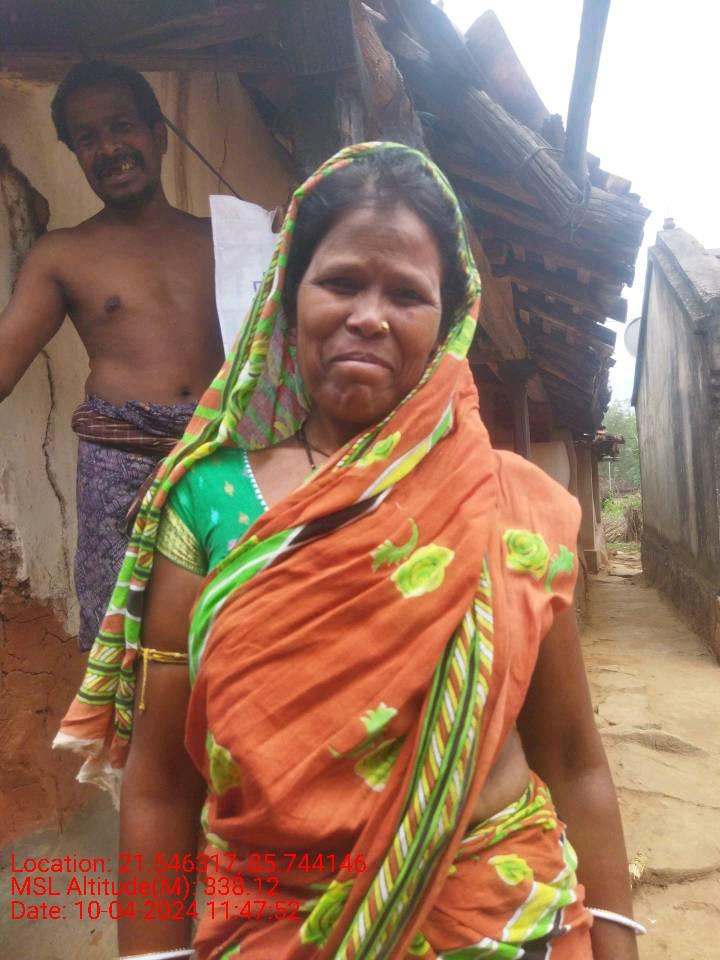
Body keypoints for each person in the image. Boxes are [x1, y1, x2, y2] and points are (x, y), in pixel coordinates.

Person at [56, 143, 641, 960]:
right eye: (341, 282)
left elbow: (574, 761)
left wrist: (617, 942)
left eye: (407, 293)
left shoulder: (511, 503)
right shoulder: (210, 501)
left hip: (501, 923)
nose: (370, 315)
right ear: (288, 296)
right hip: (273, 927)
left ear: (448, 321)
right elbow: (159, 786)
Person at [0, 61, 223, 650]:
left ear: (157, 135)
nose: (108, 148)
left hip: (218, 458)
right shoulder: (63, 255)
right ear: (76, 154)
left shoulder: (224, 239)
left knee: (236, 630)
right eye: (87, 138)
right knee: (126, 648)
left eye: (122, 126)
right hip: (120, 467)